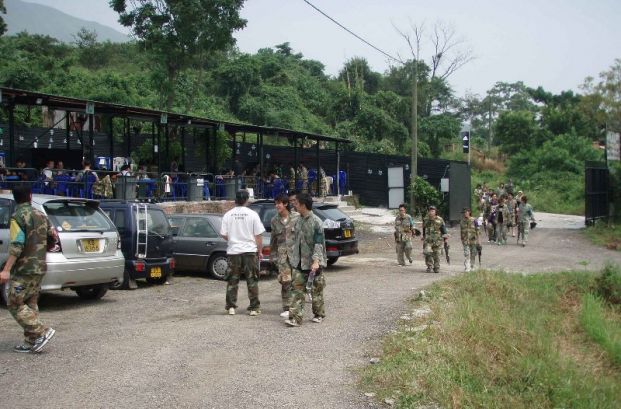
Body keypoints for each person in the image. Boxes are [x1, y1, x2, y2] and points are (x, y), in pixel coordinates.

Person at [0, 185, 57, 353]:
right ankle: (31, 341)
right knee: (30, 303)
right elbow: (53, 237)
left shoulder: (17, 216)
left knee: (14, 303)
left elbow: (17, 245)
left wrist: (6, 269)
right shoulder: (41, 214)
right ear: (30, 196)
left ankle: (41, 331)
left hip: (24, 269)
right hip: (39, 266)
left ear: (15, 198)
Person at [220, 190, 265, 316]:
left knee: (232, 279)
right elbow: (258, 235)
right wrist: (259, 251)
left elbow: (223, 233)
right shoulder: (252, 214)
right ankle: (254, 308)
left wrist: (233, 239)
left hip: (234, 251)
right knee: (252, 279)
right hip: (249, 250)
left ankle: (231, 307)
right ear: (247, 200)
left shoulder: (228, 215)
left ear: (235, 200)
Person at [285, 192, 327, 327]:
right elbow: (295, 241)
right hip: (298, 263)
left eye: (296, 203)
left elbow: (318, 243)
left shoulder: (317, 222)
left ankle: (319, 314)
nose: (294, 206)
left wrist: (316, 261)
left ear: (303, 205)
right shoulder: (298, 221)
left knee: (316, 291)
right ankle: (295, 318)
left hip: (314, 263)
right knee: (296, 290)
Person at [270, 194, 299, 318]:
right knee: (285, 281)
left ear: (285, 204)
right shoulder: (274, 220)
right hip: (282, 257)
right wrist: (273, 256)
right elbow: (273, 240)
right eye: (276, 203)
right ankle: (287, 308)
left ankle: (297, 306)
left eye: (279, 203)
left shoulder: (297, 217)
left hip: (296, 256)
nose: (277, 206)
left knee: (297, 282)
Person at [422, 205, 448, 274]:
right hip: (428, 240)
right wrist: (424, 236)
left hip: (437, 240)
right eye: (430, 211)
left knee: (436, 254)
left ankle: (436, 267)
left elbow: (443, 229)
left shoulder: (440, 219)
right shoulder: (426, 219)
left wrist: (445, 238)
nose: (431, 212)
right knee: (427, 252)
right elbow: (424, 228)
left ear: (435, 212)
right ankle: (429, 266)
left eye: (433, 211)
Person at [460, 207, 479, 272]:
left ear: (469, 212)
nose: (465, 214)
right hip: (465, 240)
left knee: (473, 253)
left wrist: (479, 241)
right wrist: (462, 240)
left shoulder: (474, 220)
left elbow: (478, 230)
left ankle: (472, 266)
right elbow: (461, 232)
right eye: (464, 213)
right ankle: (467, 266)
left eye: (466, 212)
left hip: (473, 240)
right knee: (467, 254)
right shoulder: (462, 221)